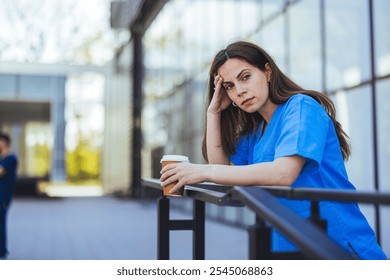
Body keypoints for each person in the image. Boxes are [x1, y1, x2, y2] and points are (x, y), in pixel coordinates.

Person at [160, 41, 387, 259]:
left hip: (334, 244)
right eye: (229, 86)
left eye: (245, 77)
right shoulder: (255, 132)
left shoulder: (301, 107)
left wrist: (203, 172)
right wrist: (214, 112)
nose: (239, 91)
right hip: (287, 243)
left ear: (267, 72)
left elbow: (283, 173)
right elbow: (222, 170)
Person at [0, 132, 18, 259]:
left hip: (4, 195)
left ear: (4, 142)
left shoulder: (11, 159)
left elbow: (1, 172)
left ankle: (2, 250)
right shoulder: (2, 158)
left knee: (1, 222)